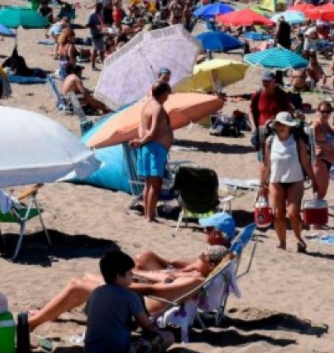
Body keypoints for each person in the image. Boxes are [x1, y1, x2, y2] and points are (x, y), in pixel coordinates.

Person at [29, 246, 229, 332]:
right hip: (139, 298)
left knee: (77, 285)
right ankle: (51, 314)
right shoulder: (196, 276)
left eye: (201, 258)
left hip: (139, 305)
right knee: (86, 280)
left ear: (211, 266)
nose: (197, 259)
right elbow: (164, 278)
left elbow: (156, 291)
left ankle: (34, 322)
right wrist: (142, 275)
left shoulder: (195, 282)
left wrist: (132, 282)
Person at [83, 251, 175, 353]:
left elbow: (91, 315)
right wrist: (160, 333)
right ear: (118, 276)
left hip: (91, 352)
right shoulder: (130, 296)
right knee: (168, 337)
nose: (132, 274)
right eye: (129, 272)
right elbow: (147, 326)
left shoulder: (96, 292)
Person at [259, 112, 317, 253]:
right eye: (279, 124)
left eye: (284, 125)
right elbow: (266, 165)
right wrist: (261, 184)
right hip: (275, 181)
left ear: (290, 126)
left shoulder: (298, 142)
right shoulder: (270, 141)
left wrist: (314, 180)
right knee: (278, 213)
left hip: (295, 180)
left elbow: (305, 162)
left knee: (293, 213)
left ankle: (298, 238)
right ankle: (282, 242)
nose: (281, 127)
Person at [130, 82, 173, 222]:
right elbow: (153, 132)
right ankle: (149, 216)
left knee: (149, 183)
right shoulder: (157, 108)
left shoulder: (147, 105)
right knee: (155, 183)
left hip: (149, 147)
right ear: (163, 93)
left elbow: (141, 127)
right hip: (155, 149)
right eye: (168, 93)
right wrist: (141, 141)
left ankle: (147, 214)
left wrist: (141, 140)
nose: (169, 96)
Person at [134, 213, 235, 272]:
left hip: (179, 286)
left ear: (217, 234)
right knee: (146, 257)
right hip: (183, 278)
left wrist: (172, 271)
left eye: (208, 228)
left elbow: (194, 270)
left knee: (143, 259)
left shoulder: (212, 252)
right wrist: (169, 263)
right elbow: (198, 263)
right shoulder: (224, 252)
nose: (204, 231)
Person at [250, 70, 292, 149]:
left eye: (268, 81)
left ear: (274, 82)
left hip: (277, 129)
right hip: (262, 129)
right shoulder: (257, 94)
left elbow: (289, 110)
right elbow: (251, 111)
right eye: (264, 81)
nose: (265, 83)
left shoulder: (281, 95)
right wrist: (253, 127)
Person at [311, 101, 334, 203]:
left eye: (328, 111)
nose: (325, 114)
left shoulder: (325, 123)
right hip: (320, 160)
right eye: (323, 112)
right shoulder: (316, 125)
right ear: (318, 111)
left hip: (327, 160)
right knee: (320, 191)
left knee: (322, 191)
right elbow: (308, 142)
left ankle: (315, 210)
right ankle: (314, 212)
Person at [88, 3, 107, 71]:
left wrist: (103, 26)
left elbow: (101, 22)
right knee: (96, 50)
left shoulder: (100, 14)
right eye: (99, 7)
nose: (100, 8)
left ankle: (103, 64)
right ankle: (94, 66)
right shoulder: (92, 15)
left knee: (100, 50)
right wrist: (96, 26)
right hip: (94, 34)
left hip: (100, 33)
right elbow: (88, 24)